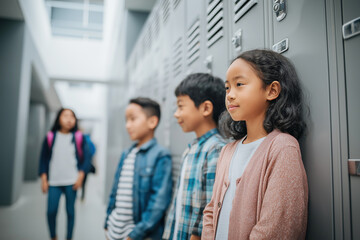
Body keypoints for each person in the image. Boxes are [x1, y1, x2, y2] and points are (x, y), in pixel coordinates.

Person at [202, 49, 308, 240]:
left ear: (271, 90)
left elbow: (277, 229)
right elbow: (210, 212)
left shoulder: (282, 147)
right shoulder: (227, 150)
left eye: (239, 84)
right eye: (227, 88)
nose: (230, 95)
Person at [163, 73, 227, 240]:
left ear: (206, 108)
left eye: (181, 106)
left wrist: (197, 235)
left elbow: (210, 205)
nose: (176, 114)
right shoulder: (191, 149)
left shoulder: (216, 149)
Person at [104, 97, 172, 240]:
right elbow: (115, 191)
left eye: (133, 119)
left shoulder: (160, 155)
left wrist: (135, 234)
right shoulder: (126, 153)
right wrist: (107, 222)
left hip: (137, 234)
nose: (128, 125)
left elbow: (158, 203)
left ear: (152, 122)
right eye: (126, 120)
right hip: (114, 229)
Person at [38, 108, 92, 240]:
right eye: (65, 116)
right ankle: (53, 236)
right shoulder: (50, 137)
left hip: (71, 181)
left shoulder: (79, 137)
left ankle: (69, 237)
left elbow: (86, 158)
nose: (69, 119)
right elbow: (43, 159)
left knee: (70, 212)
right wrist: (44, 179)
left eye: (72, 117)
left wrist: (80, 177)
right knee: (51, 211)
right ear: (58, 119)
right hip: (54, 182)